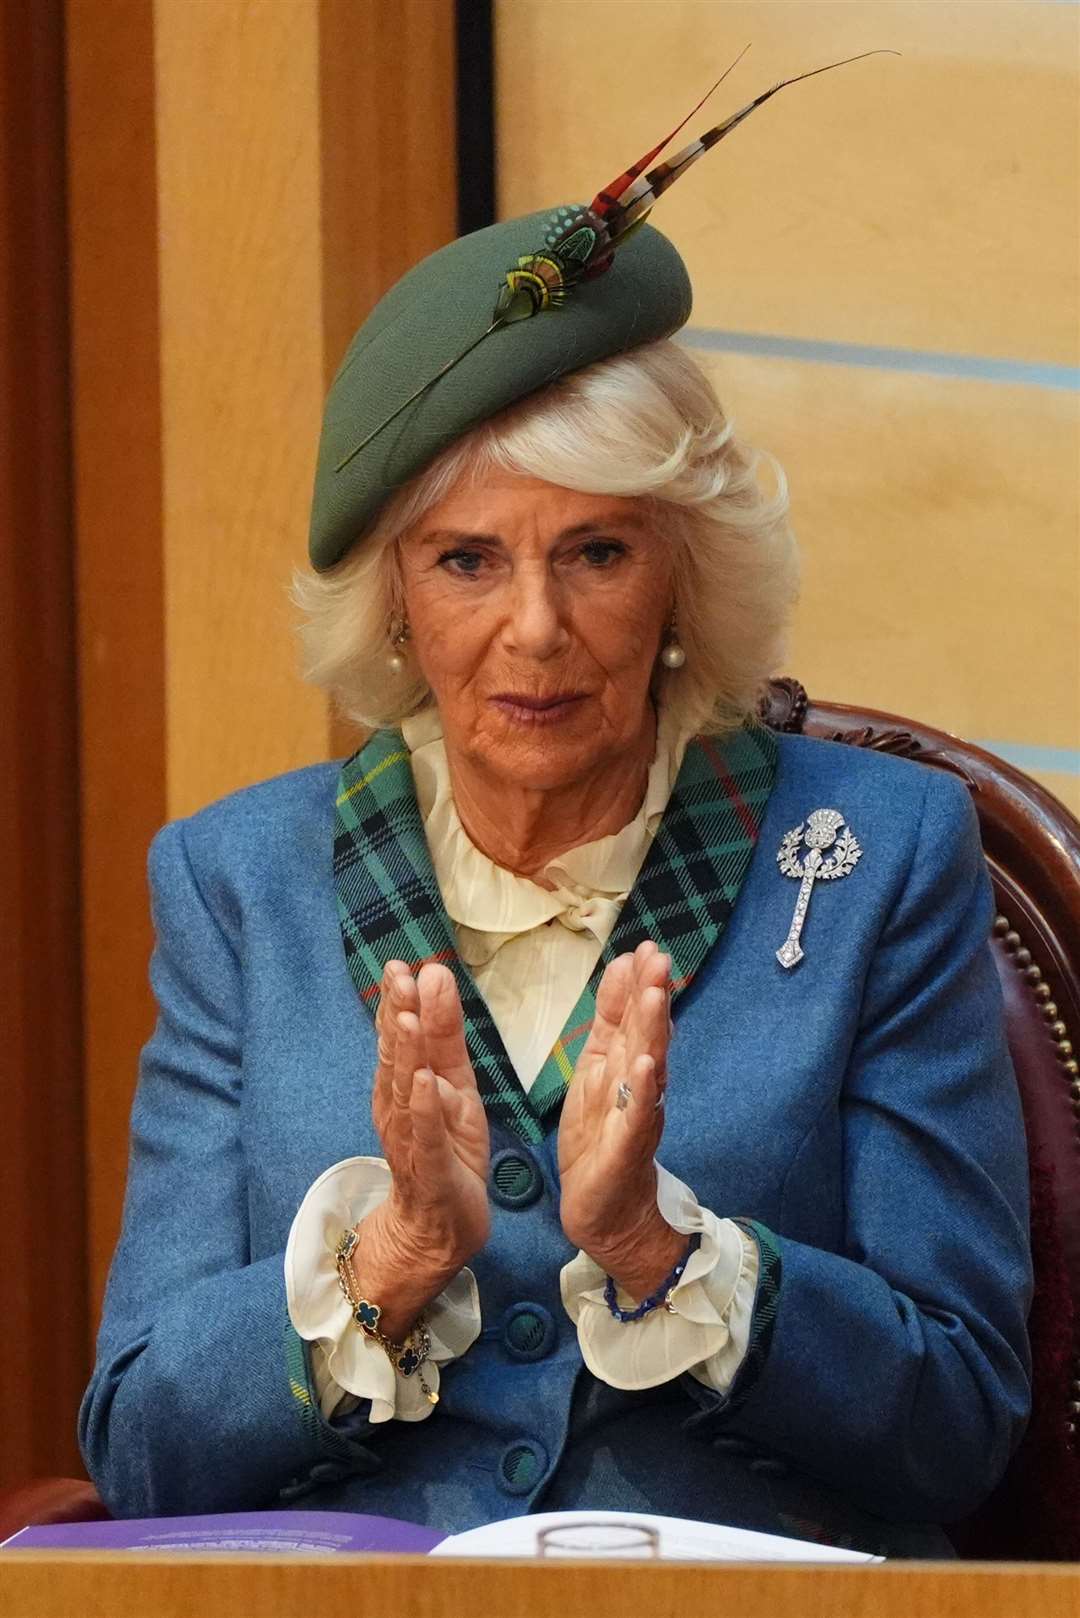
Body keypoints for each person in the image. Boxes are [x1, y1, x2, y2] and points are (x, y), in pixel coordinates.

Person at [79, 201, 1031, 1558]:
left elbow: (957, 1421)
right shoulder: (238, 880)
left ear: (680, 579)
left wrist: (664, 1250)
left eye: (597, 552)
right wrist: (391, 1259)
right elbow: (141, 1447)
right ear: (397, 599)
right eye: (469, 559)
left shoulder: (883, 856)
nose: (537, 628)